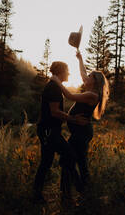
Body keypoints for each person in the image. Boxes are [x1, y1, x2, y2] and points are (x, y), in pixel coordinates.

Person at [51, 51, 109, 191]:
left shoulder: (92, 95)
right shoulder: (91, 89)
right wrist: (80, 59)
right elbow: (83, 73)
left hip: (82, 132)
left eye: (89, 76)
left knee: (69, 160)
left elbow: (69, 95)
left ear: (94, 81)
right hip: (80, 131)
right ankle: (81, 189)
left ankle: (76, 190)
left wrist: (57, 81)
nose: (85, 77)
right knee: (79, 161)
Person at [33, 61, 88, 204]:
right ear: (60, 72)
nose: (69, 73)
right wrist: (73, 119)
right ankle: (78, 191)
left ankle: (39, 195)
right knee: (69, 155)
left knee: (47, 162)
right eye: (67, 70)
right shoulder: (53, 88)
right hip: (48, 131)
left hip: (50, 130)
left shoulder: (54, 86)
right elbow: (55, 112)